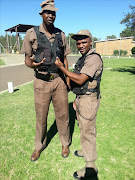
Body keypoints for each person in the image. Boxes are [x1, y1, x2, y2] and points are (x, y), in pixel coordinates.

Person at [21, 0, 71, 162]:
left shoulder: (61, 34)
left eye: (53, 13)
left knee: (63, 115)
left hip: (59, 81)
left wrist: (68, 79)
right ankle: (38, 146)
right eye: (48, 12)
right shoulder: (31, 34)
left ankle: (65, 143)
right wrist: (33, 65)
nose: (51, 15)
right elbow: (27, 60)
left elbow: (64, 58)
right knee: (41, 116)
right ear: (41, 14)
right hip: (41, 81)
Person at [55, 30, 103, 179]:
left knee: (88, 132)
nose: (81, 45)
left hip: (89, 99)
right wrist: (76, 99)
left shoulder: (93, 59)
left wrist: (62, 68)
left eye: (84, 42)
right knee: (83, 127)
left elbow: (81, 79)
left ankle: (90, 166)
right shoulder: (85, 57)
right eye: (78, 43)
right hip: (82, 98)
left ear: (91, 42)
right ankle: (86, 151)